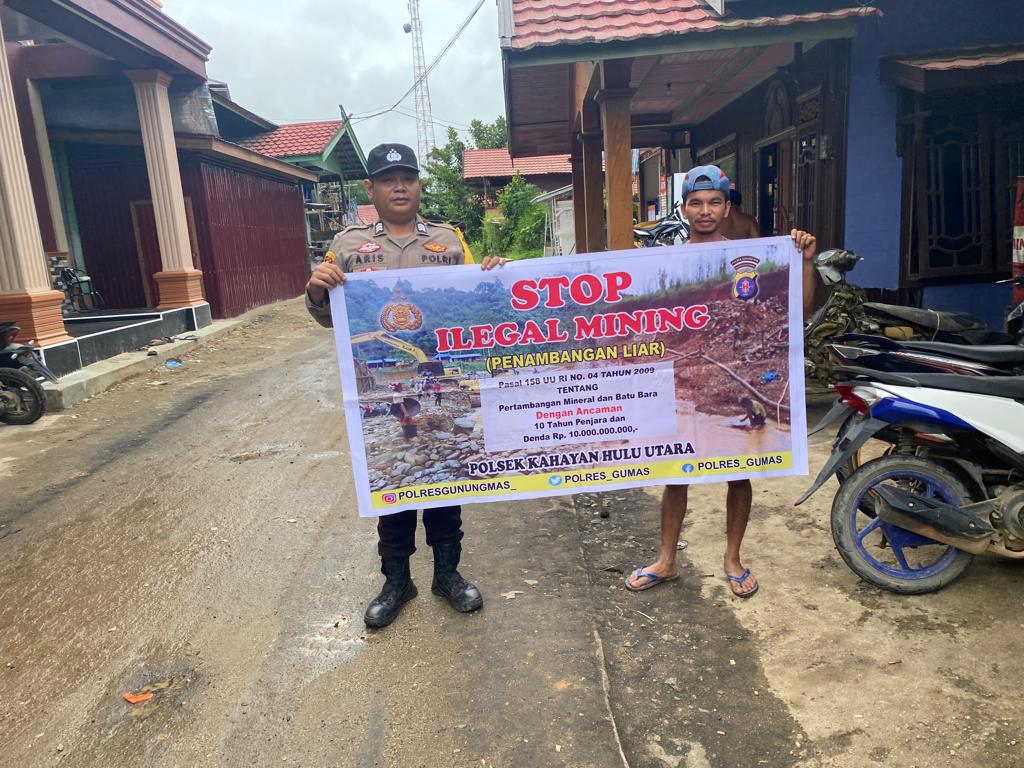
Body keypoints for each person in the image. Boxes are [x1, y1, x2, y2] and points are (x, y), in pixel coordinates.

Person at [305, 142, 508, 628]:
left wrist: (495, 275)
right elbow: (328, 318)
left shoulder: (449, 241)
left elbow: (480, 300)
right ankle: (397, 582)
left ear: (419, 184)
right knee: (391, 488)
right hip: (387, 388)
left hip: (436, 370)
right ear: (370, 188)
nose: (399, 187)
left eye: (408, 178)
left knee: (444, 481)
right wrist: (315, 289)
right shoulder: (348, 245)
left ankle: (447, 575)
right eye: (388, 179)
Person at [626, 164, 818, 598]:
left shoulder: (753, 258)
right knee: (675, 473)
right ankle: (666, 560)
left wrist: (805, 262)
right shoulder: (667, 262)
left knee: (739, 470)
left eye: (714, 202)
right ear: (683, 209)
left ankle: (733, 558)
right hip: (686, 378)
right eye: (696, 203)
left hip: (739, 379)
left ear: (727, 208)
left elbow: (798, 310)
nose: (705, 211)